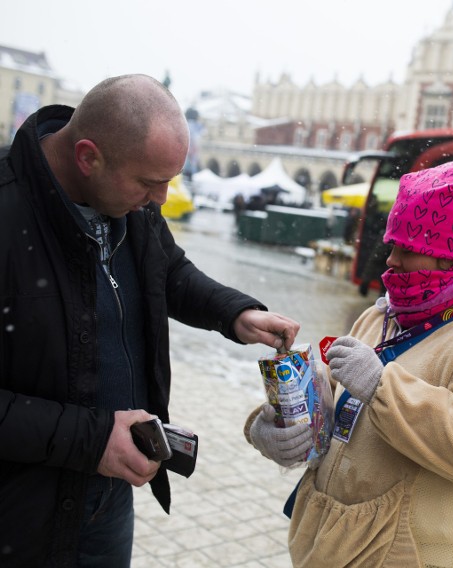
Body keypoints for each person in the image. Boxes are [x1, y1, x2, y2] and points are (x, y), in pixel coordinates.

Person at [0, 74, 301, 567]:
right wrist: (92, 439)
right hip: (20, 505)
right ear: (88, 157)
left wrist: (236, 313)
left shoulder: (128, 200)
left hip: (111, 489)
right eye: (149, 182)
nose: (161, 198)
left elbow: (168, 271)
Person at [246, 160, 453, 567]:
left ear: (448, 257)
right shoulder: (385, 314)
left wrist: (383, 389)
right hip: (334, 544)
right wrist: (274, 426)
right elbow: (334, 402)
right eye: (392, 246)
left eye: (408, 250)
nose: (391, 262)